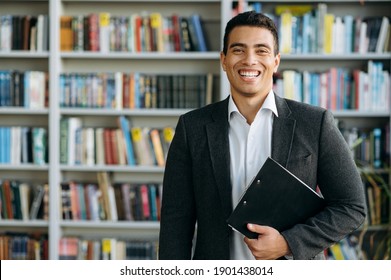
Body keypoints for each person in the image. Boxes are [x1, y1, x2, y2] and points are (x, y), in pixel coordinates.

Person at [158, 11, 366, 260]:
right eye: (238, 50)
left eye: (261, 50)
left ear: (276, 61)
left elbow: (351, 206)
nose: (249, 60)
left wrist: (288, 243)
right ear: (223, 60)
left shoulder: (315, 123)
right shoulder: (191, 128)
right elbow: (175, 223)